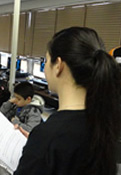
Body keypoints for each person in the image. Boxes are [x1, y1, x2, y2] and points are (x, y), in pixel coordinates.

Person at [14, 27, 121, 175]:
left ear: (58, 65)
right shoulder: (104, 121)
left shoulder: (48, 136)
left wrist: (39, 147)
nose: (45, 69)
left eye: (46, 61)